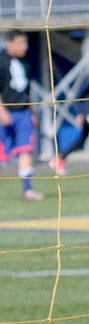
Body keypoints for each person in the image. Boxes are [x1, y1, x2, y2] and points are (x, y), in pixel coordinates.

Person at [0, 29, 45, 201]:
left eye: (25, 42)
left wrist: (32, 113)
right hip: (5, 113)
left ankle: (27, 190)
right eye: (20, 43)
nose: (25, 46)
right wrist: (1, 111)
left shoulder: (25, 63)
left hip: (23, 113)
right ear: (9, 43)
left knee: (26, 150)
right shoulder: (1, 61)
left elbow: (27, 91)